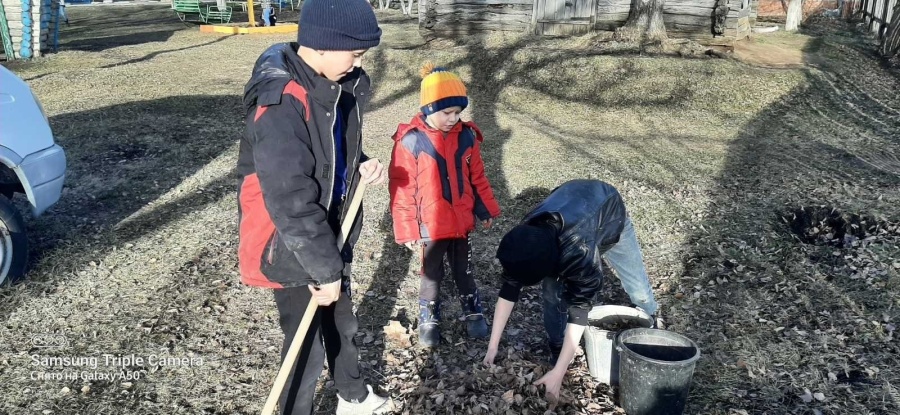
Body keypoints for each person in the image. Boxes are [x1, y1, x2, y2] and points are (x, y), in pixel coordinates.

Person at [235, 1, 391, 413]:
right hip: (290, 240)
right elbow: (290, 197)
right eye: (354, 53)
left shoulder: (327, 83)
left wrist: (360, 164)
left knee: (341, 320)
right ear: (322, 43)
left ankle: (353, 397)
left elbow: (325, 152)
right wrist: (324, 270)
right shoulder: (281, 102)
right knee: (305, 347)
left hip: (324, 231)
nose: (358, 63)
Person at [483, 179, 660, 402]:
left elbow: (579, 312)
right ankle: (557, 344)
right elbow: (508, 292)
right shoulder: (526, 237)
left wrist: (559, 373)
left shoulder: (579, 252)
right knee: (551, 291)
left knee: (637, 285)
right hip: (573, 200)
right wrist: (492, 348)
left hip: (609, 211)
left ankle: (653, 322)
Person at [388, 63, 501, 347]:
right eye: (446, 112)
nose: (453, 118)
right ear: (428, 109)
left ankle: (473, 310)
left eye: (458, 112)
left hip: (461, 222)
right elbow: (403, 189)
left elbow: (477, 177)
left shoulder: (466, 137)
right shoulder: (411, 141)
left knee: (464, 270)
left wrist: (485, 208)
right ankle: (429, 316)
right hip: (430, 226)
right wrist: (407, 229)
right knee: (431, 274)